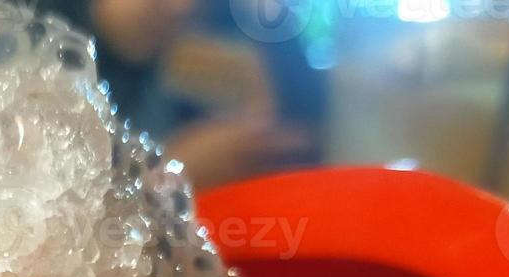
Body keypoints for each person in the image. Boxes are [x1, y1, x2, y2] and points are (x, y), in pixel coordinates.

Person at [37, 0, 323, 189]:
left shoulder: (214, 35)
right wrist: (165, 175)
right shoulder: (23, 36)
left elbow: (304, 127)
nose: (182, 8)